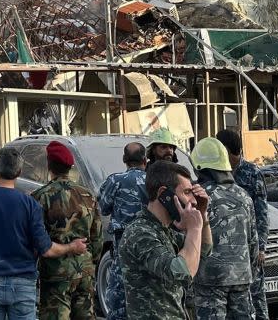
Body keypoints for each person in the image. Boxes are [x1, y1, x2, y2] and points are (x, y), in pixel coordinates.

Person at [0, 146, 89, 320]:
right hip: (23, 285)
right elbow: (46, 249)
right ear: (19, 172)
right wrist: (71, 247)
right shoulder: (30, 205)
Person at [120, 160, 212, 320]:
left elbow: (203, 251)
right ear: (164, 194)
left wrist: (202, 216)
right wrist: (194, 228)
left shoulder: (164, 230)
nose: (193, 200)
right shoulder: (141, 232)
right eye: (187, 192)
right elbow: (183, 272)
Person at [31, 141, 103, 320]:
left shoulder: (40, 196)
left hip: (55, 272)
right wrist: (90, 261)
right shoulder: (88, 195)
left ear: (49, 164)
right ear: (70, 167)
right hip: (84, 270)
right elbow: (97, 237)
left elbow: (35, 240)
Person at [191, 137, 257, 320]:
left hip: (210, 278)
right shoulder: (244, 195)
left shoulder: (201, 196)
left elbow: (191, 238)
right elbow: (253, 241)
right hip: (242, 276)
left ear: (200, 166)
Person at [218, 129, 270, 320]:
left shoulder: (251, 173)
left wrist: (261, 247)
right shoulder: (217, 172)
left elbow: (262, 213)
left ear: (228, 150)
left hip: (250, 245)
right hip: (227, 246)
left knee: (256, 293)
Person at [97, 141, 148, 320]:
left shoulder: (115, 180)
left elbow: (103, 208)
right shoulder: (154, 181)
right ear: (145, 159)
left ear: (124, 159)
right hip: (151, 249)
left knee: (119, 300)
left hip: (123, 250)